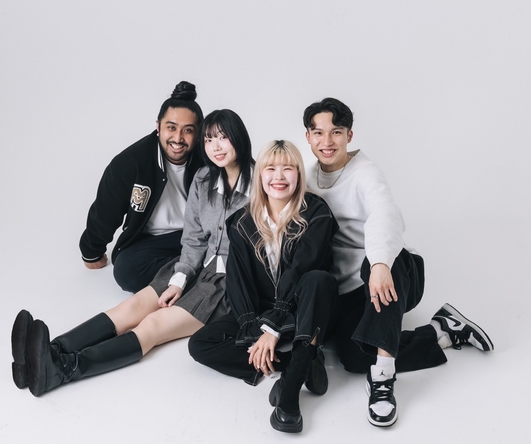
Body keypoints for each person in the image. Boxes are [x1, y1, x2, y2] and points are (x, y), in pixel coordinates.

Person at [11, 109, 254, 396]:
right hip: (197, 266)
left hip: (227, 286)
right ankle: (47, 353)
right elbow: (194, 238)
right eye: (209, 139)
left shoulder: (261, 185)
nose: (215, 147)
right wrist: (180, 279)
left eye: (223, 138)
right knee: (132, 307)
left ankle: (64, 370)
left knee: (152, 325)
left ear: (238, 138)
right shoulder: (203, 178)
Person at [303, 97, 494, 428]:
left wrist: (379, 263)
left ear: (349, 135)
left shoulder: (365, 172)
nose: (327, 141)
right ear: (308, 137)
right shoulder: (307, 177)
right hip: (352, 287)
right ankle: (443, 330)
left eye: (336, 132)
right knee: (354, 357)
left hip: (396, 271)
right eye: (318, 133)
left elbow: (384, 214)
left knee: (377, 262)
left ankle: (383, 378)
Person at [188, 140, 340, 434]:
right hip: (264, 309)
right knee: (200, 344)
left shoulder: (317, 213)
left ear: (299, 174)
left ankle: (289, 397)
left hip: (308, 309)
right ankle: (301, 361)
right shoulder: (242, 221)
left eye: (288, 168)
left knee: (318, 279)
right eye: (270, 168)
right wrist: (252, 327)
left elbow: (303, 268)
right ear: (260, 175)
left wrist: (272, 328)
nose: (279, 177)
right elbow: (238, 280)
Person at [79, 81, 204, 292]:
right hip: (150, 241)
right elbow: (106, 211)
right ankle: (206, 276)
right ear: (158, 127)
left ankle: (194, 275)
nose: (178, 138)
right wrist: (92, 251)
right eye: (171, 127)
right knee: (125, 271)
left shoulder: (209, 158)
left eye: (188, 130)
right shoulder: (130, 162)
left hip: (197, 236)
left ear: (199, 133)